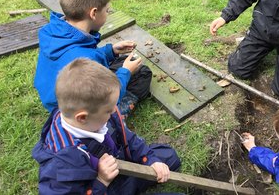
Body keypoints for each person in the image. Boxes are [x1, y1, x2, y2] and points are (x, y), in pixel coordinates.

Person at [32, 58, 181, 194]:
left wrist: (150, 160)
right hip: (105, 188)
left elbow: (129, 139)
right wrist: (102, 181)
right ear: (82, 117)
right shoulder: (62, 163)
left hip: (121, 170)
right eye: (109, 110)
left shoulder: (97, 116)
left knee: (169, 157)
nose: (115, 111)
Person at [34, 0, 152, 115]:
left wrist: (111, 51)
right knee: (142, 74)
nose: (108, 14)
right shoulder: (86, 59)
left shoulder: (51, 31)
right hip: (74, 110)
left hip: (56, 97)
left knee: (123, 61)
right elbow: (87, 62)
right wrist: (126, 72)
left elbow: (78, 55)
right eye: (107, 10)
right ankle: (119, 111)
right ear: (93, 13)